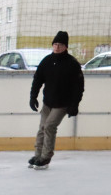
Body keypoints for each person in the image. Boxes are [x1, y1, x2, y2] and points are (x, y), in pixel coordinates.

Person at [28, 31, 84, 169]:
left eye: (60, 45)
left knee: (49, 126)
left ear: (66, 46)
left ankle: (45, 157)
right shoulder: (47, 61)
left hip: (62, 104)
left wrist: (74, 105)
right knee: (42, 128)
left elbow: (78, 87)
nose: (57, 47)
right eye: (55, 44)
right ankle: (37, 155)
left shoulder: (72, 64)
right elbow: (37, 79)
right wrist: (33, 97)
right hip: (48, 103)